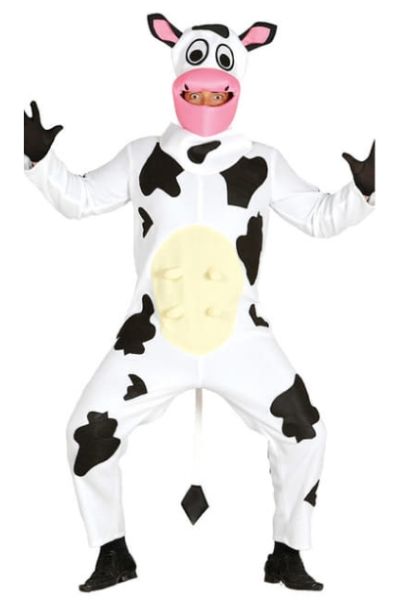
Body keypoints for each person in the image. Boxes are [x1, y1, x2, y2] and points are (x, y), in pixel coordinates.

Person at [23, 13, 375, 593]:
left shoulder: (262, 160)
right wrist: (41, 162)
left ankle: (288, 553)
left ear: (235, 84)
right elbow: (82, 198)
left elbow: (317, 216)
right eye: (197, 87)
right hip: (151, 339)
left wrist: (364, 190)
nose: (206, 97)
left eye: (217, 88)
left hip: (240, 336)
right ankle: (112, 551)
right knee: (85, 431)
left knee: (306, 432)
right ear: (178, 77)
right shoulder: (142, 156)